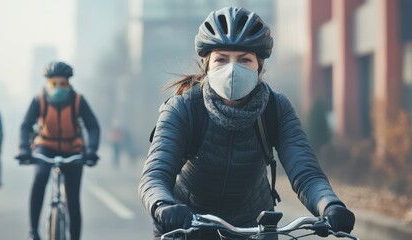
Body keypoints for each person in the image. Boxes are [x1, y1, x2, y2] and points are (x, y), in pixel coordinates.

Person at [139, 7, 355, 240]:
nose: (232, 69)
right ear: (207, 65)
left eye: (244, 60)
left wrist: (330, 205)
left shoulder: (276, 108)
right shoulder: (183, 108)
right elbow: (155, 174)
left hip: (255, 225)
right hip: (187, 223)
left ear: (259, 66)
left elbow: (306, 173)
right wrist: (163, 205)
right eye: (221, 59)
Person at [16, 61, 100, 240]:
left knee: (73, 200)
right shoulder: (38, 100)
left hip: (73, 150)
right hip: (45, 148)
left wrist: (91, 150)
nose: (59, 87)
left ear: (69, 83)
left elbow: (93, 126)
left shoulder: (78, 100)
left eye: (63, 84)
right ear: (48, 83)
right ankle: (33, 231)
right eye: (54, 84)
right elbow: (25, 126)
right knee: (40, 178)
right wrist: (24, 149)